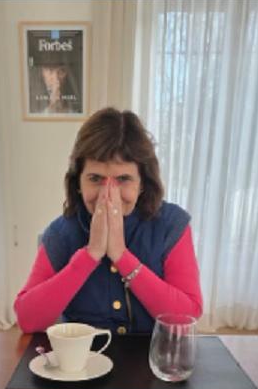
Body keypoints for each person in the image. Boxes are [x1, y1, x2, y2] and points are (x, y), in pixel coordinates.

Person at [14, 108, 203, 334]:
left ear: (142, 184)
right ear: (78, 183)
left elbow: (185, 319)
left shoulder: (171, 225)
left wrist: (122, 256)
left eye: (123, 179)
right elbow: (27, 320)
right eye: (95, 178)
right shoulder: (61, 232)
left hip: (151, 354)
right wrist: (90, 255)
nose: (108, 194)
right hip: (81, 355)